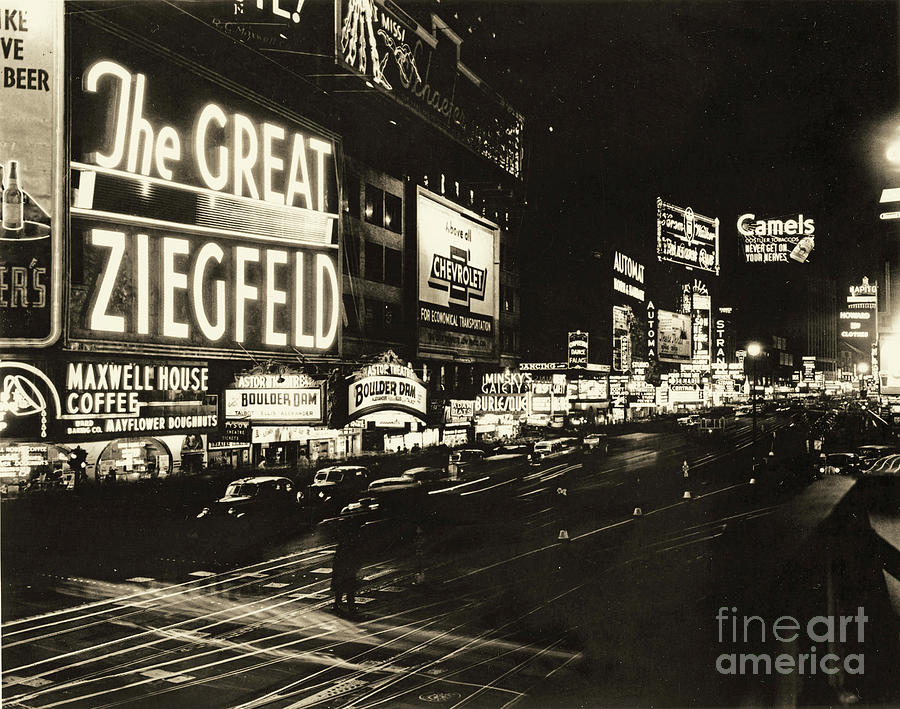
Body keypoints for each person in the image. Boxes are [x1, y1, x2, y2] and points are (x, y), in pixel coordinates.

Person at [331, 517, 364, 615]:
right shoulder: (351, 541)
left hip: (342, 567)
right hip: (347, 568)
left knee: (341, 588)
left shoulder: (343, 542)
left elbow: (338, 556)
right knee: (349, 589)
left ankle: (339, 605)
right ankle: (350, 607)